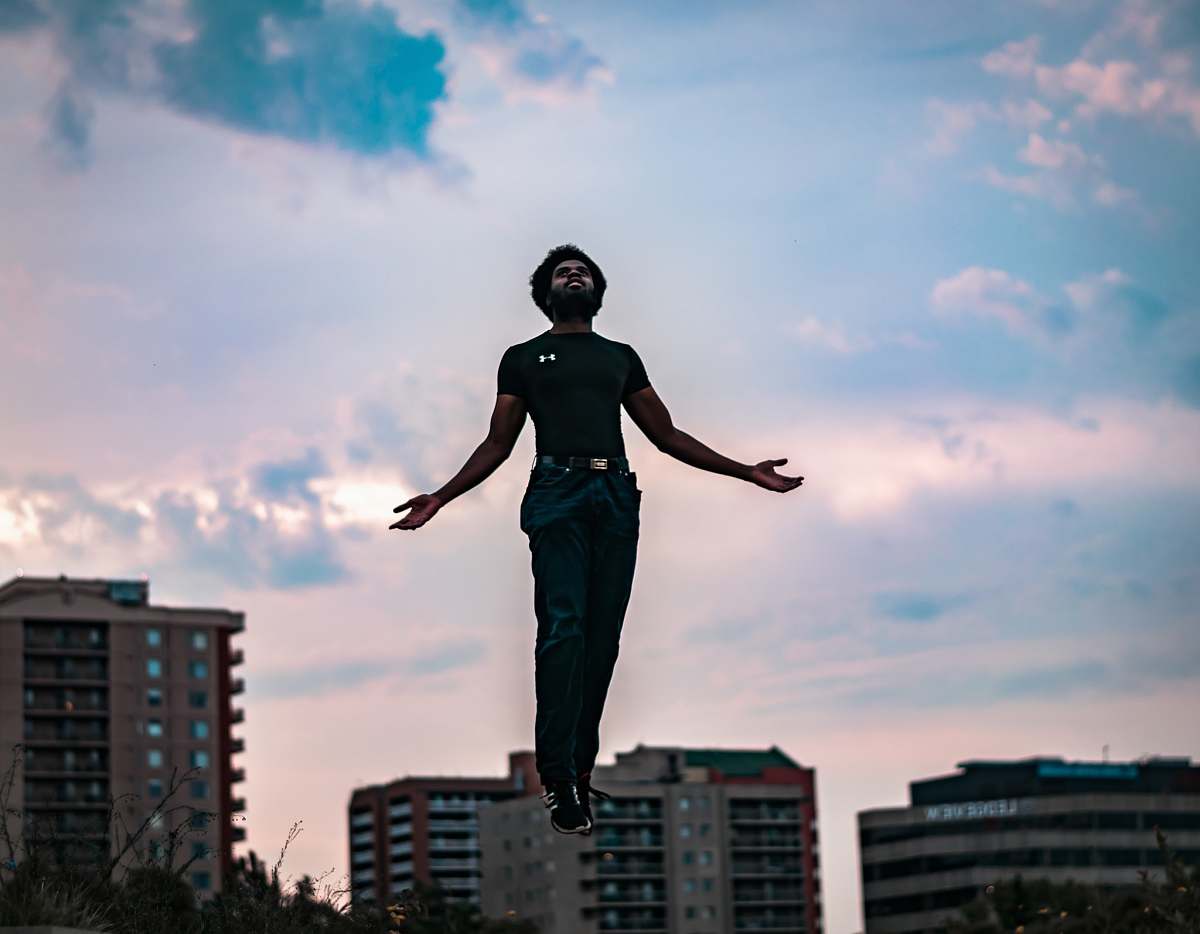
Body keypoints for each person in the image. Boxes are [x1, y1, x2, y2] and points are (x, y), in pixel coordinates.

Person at [390, 244, 804, 835]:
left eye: (581, 270)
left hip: (615, 499)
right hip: (556, 491)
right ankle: (556, 777)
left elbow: (666, 435)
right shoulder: (523, 358)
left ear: (596, 289)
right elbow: (497, 443)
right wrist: (442, 496)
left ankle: (576, 779)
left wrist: (744, 471)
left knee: (602, 642)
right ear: (547, 293)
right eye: (563, 272)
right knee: (565, 629)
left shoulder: (621, 357)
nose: (574, 274)